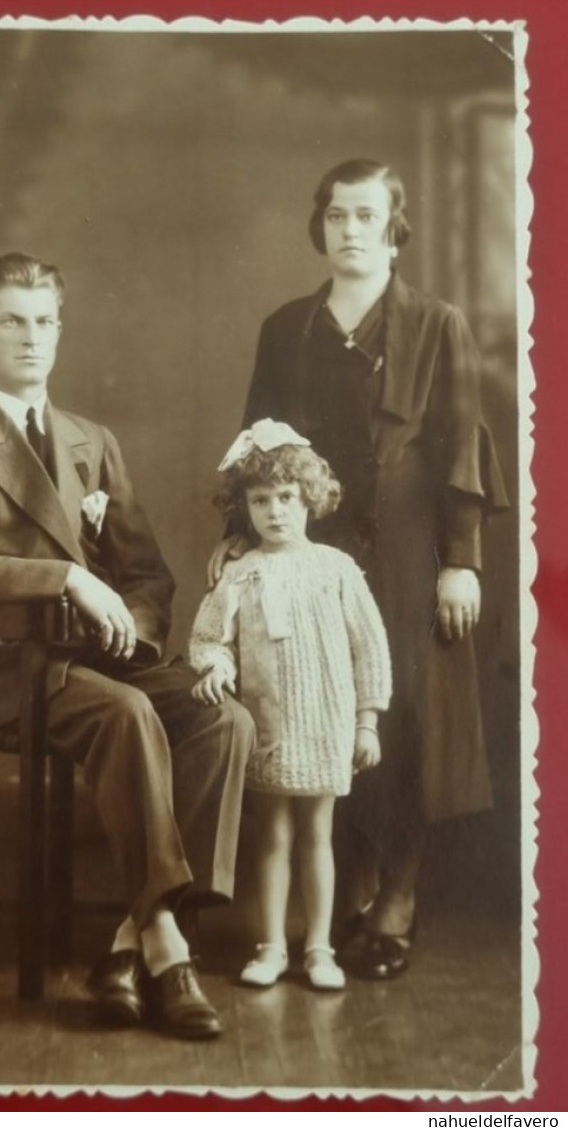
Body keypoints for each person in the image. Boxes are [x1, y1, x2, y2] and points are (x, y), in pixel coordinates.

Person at [0, 251, 255, 1039]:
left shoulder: (92, 439)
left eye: (46, 322)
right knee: (126, 716)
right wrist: (64, 576)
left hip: (95, 662)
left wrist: (129, 626)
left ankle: (131, 941)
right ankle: (168, 945)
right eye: (13, 322)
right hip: (0, 664)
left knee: (222, 720)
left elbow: (149, 576)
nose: (32, 338)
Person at [210, 159, 508, 980]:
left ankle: (398, 898)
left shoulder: (437, 323)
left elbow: (462, 443)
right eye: (337, 215)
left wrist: (464, 563)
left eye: (366, 215)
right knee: (317, 709)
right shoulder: (288, 328)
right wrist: (243, 539)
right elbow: (256, 445)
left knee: (402, 714)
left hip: (412, 548)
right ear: (322, 225)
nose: (350, 229)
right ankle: (344, 894)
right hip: (312, 549)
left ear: (393, 227)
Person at [190, 420, 392, 990]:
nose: (275, 512)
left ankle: (320, 949)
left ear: (310, 499)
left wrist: (367, 721)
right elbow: (210, 637)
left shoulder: (336, 571)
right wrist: (217, 668)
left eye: (287, 498)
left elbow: (370, 647)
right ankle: (273, 945)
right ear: (244, 507)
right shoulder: (240, 573)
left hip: (324, 727)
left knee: (317, 837)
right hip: (270, 727)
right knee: (273, 838)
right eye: (260, 501)